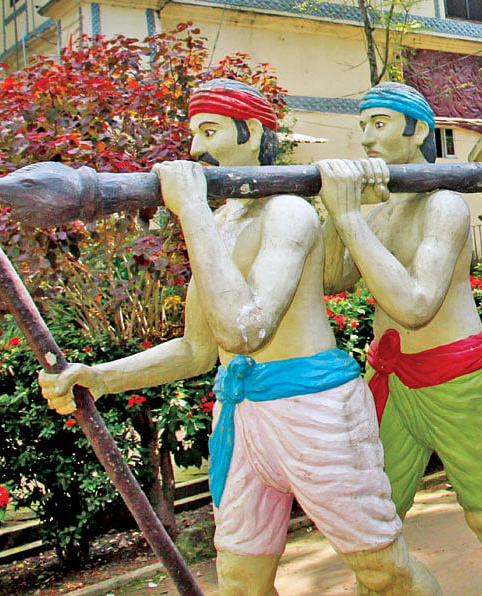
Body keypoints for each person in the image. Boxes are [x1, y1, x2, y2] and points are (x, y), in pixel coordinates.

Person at [38, 79, 440, 596]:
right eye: (192, 134)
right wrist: (97, 377)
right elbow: (198, 349)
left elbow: (246, 330)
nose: (194, 151)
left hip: (313, 409)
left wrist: (192, 213)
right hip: (243, 414)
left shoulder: (289, 213)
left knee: (384, 572)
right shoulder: (221, 224)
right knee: (240, 583)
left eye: (209, 131)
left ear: (252, 136)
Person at [316, 81, 482, 596]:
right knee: (376, 525)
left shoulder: (445, 205)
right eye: (363, 125)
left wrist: (347, 217)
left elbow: (414, 307)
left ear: (419, 132)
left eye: (380, 124)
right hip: (392, 381)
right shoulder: (382, 209)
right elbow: (332, 279)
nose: (366, 137)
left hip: (455, 380)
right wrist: (333, 215)